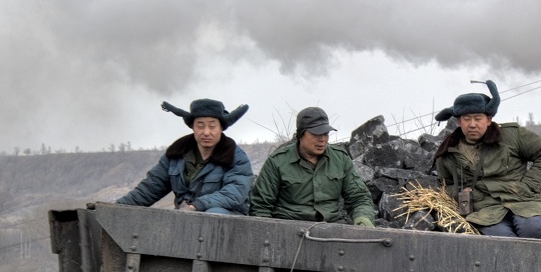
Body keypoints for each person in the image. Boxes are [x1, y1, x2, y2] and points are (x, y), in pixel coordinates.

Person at [432, 80, 541, 239]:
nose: (472, 124)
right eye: (466, 119)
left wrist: (528, 185)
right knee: (502, 242)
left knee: (536, 232)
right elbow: (445, 184)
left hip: (525, 202)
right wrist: (460, 193)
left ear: (489, 119)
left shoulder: (511, 135)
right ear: (458, 121)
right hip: (485, 210)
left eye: (478, 118)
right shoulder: (448, 152)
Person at [117, 99, 254, 214]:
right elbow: (149, 189)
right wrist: (113, 208)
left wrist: (197, 206)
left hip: (227, 221)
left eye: (212, 126)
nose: (206, 132)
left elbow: (234, 193)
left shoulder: (236, 157)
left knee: (214, 214)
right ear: (193, 128)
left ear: (221, 128)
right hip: (185, 220)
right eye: (200, 126)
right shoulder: (176, 154)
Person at [251, 107, 375, 225]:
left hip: (331, 227)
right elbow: (260, 206)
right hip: (288, 229)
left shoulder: (340, 158)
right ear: (300, 135)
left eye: (326, 134)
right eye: (316, 134)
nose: (322, 140)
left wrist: (363, 219)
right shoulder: (277, 161)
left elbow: (359, 197)